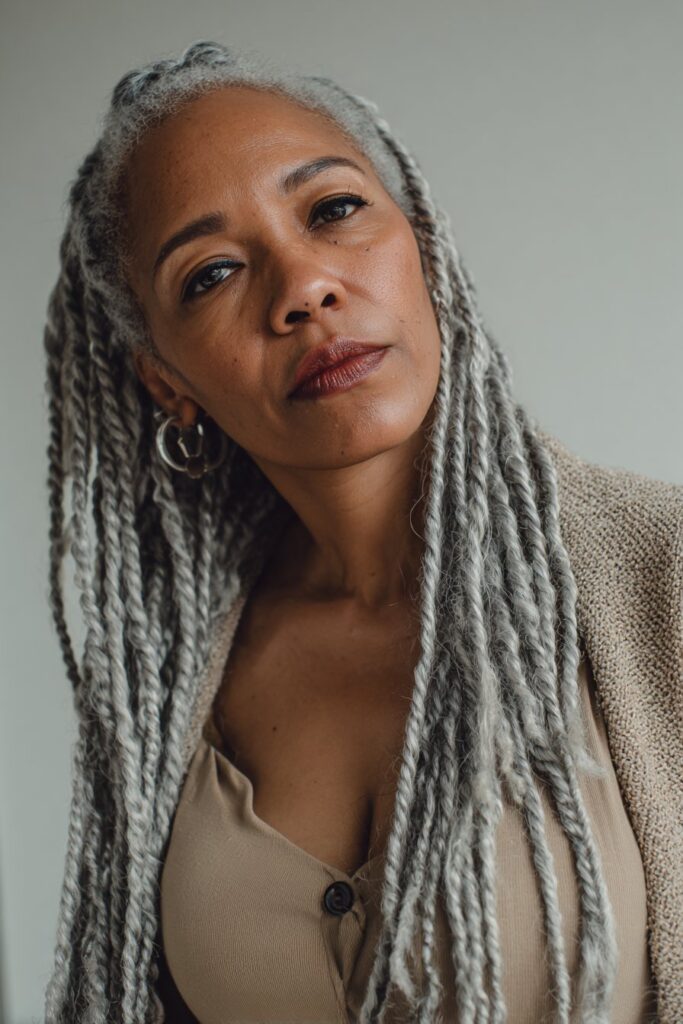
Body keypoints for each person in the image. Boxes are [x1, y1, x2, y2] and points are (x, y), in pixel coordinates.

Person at [42, 40, 681, 1024]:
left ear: (422, 239)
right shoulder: (164, 688)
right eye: (211, 273)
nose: (302, 287)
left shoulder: (659, 574)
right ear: (165, 381)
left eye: (332, 210)